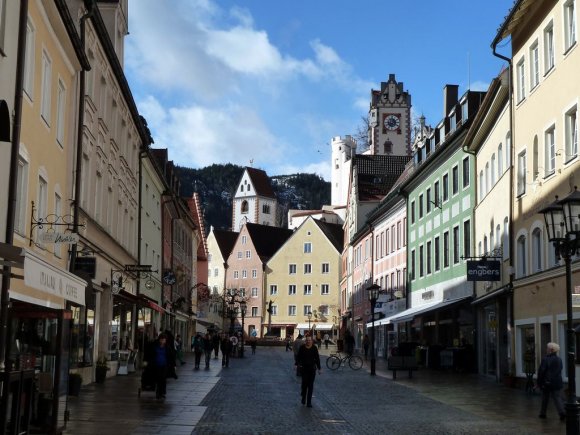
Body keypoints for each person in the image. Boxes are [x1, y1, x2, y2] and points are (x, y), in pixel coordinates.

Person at [537, 342, 565, 421]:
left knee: (545, 398)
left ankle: (543, 413)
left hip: (547, 382)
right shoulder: (559, 359)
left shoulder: (546, 359)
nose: (546, 349)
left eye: (547, 348)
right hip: (557, 381)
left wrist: (539, 382)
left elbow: (542, 371)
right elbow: (560, 370)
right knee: (557, 397)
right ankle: (562, 412)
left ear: (551, 350)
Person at [295, 335, 321, 408]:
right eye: (307, 340)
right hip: (304, 369)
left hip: (312, 369)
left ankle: (309, 402)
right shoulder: (302, 348)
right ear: (305, 341)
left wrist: (319, 368)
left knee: (310, 385)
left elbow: (317, 358)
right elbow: (299, 357)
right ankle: (303, 396)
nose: (308, 341)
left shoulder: (314, 348)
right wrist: (296, 364)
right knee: (304, 384)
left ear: (312, 341)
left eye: (310, 340)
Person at [144, 333, 169, 401]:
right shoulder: (154, 346)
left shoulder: (167, 347)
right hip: (155, 365)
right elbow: (148, 353)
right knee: (158, 379)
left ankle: (162, 393)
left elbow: (170, 356)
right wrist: (146, 361)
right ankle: (158, 393)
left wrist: (173, 365)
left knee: (163, 380)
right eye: (162, 340)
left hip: (164, 365)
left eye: (164, 340)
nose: (163, 341)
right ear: (159, 339)